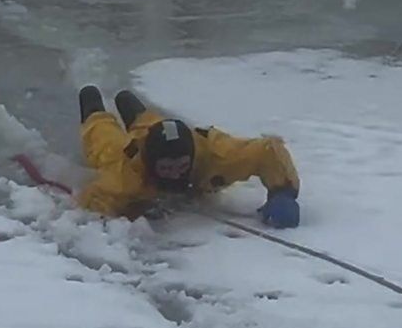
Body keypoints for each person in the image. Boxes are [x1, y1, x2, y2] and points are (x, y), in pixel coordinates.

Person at [75, 85, 301, 227]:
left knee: (152, 124)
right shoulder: (127, 175)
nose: (174, 175)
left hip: (163, 136)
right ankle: (92, 100)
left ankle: (129, 104)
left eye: (181, 166)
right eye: (166, 169)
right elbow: (95, 200)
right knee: (102, 138)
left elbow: (267, 151)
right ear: (152, 165)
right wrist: (130, 208)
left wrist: (282, 192)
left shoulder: (219, 156)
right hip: (130, 149)